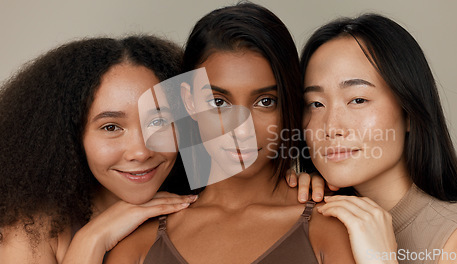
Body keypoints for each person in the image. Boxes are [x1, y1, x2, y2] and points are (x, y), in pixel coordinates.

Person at [106, 3, 354, 264]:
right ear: (189, 101)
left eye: (265, 101)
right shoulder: (138, 241)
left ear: (289, 102)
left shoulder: (332, 228)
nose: (242, 130)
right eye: (219, 103)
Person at [299, 13, 457, 264]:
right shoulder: (313, 222)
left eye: (358, 100)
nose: (330, 127)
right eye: (315, 104)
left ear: (409, 112)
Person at [0, 35, 198, 264]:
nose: (141, 152)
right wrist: (93, 239)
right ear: (69, 136)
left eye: (158, 122)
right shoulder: (29, 232)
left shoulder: (200, 212)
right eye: (111, 127)